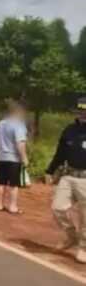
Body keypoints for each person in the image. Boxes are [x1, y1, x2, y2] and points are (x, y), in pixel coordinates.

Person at [45, 96, 86, 262]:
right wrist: (50, 171)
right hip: (68, 176)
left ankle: (83, 247)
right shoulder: (69, 130)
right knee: (58, 208)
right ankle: (72, 237)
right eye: (80, 110)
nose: (83, 114)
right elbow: (60, 153)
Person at [0, 100, 29, 214]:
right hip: (13, 159)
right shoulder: (18, 125)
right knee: (14, 184)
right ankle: (12, 207)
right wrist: (24, 158)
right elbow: (20, 143)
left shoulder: (0, 124)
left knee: (1, 183)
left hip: (1, 157)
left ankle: (0, 205)